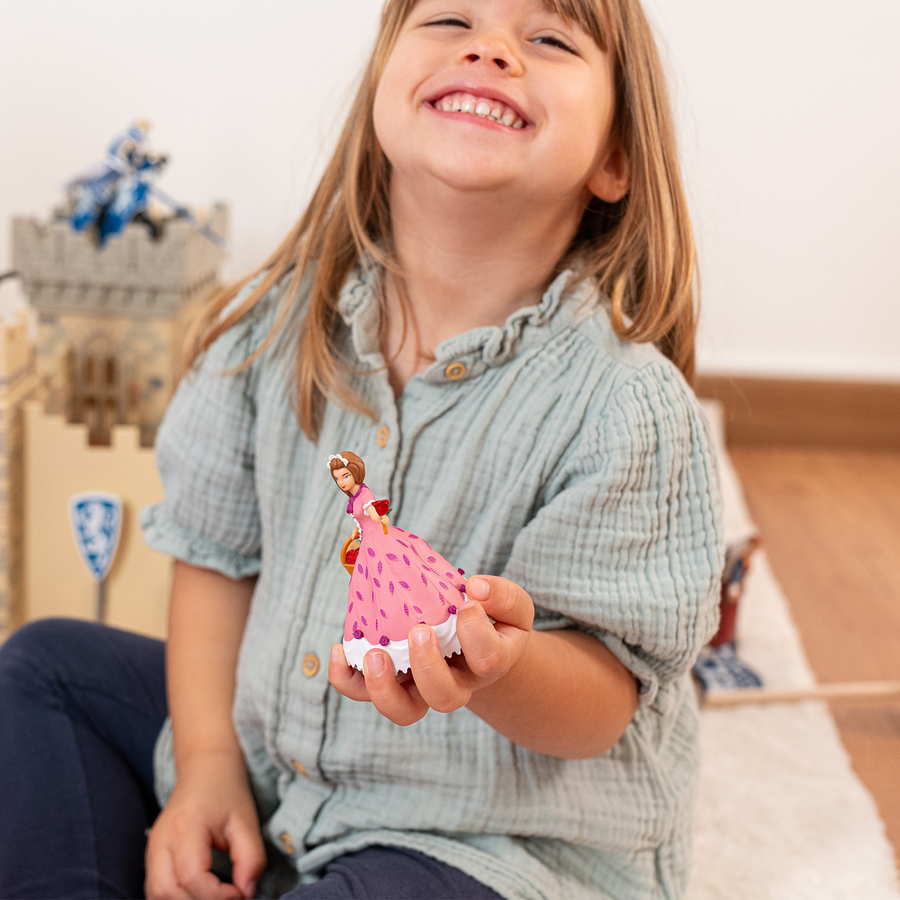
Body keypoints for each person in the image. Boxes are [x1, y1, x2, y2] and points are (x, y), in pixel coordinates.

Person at [0, 1, 723, 898]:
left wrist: (499, 666)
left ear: (615, 159)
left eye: (548, 39)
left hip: (488, 844)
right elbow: (217, 562)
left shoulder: (624, 408)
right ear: (383, 97)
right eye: (450, 17)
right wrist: (207, 766)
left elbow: (602, 709)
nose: (489, 47)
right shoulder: (272, 331)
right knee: (44, 667)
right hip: (281, 765)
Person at [329, 451, 467, 674]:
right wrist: (355, 533)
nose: (342, 482)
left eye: (345, 476)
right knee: (372, 588)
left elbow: (372, 512)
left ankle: (427, 621)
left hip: (380, 540)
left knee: (401, 576)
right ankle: (386, 634)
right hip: (367, 542)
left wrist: (379, 517)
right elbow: (360, 520)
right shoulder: (353, 498)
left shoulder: (365, 494)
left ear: (354, 473)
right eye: (338, 479)